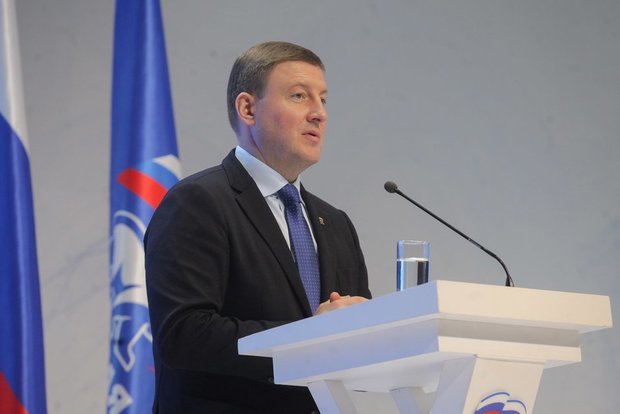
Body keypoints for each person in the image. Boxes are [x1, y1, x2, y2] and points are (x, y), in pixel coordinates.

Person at [145, 41, 371, 414]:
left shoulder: (336, 224)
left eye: (323, 99)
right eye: (299, 96)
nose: (319, 113)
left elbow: (355, 348)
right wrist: (309, 335)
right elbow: (183, 334)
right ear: (248, 108)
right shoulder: (197, 203)